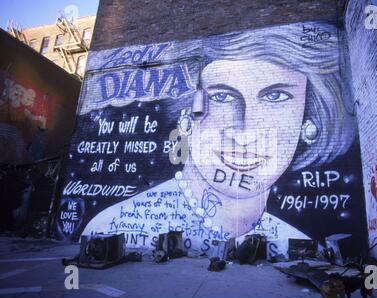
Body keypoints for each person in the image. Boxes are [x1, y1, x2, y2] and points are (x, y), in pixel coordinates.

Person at [82, 22, 357, 256]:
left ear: (307, 121)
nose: (246, 132)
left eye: (276, 96)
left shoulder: (292, 240)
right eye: (222, 96)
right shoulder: (109, 225)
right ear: (186, 115)